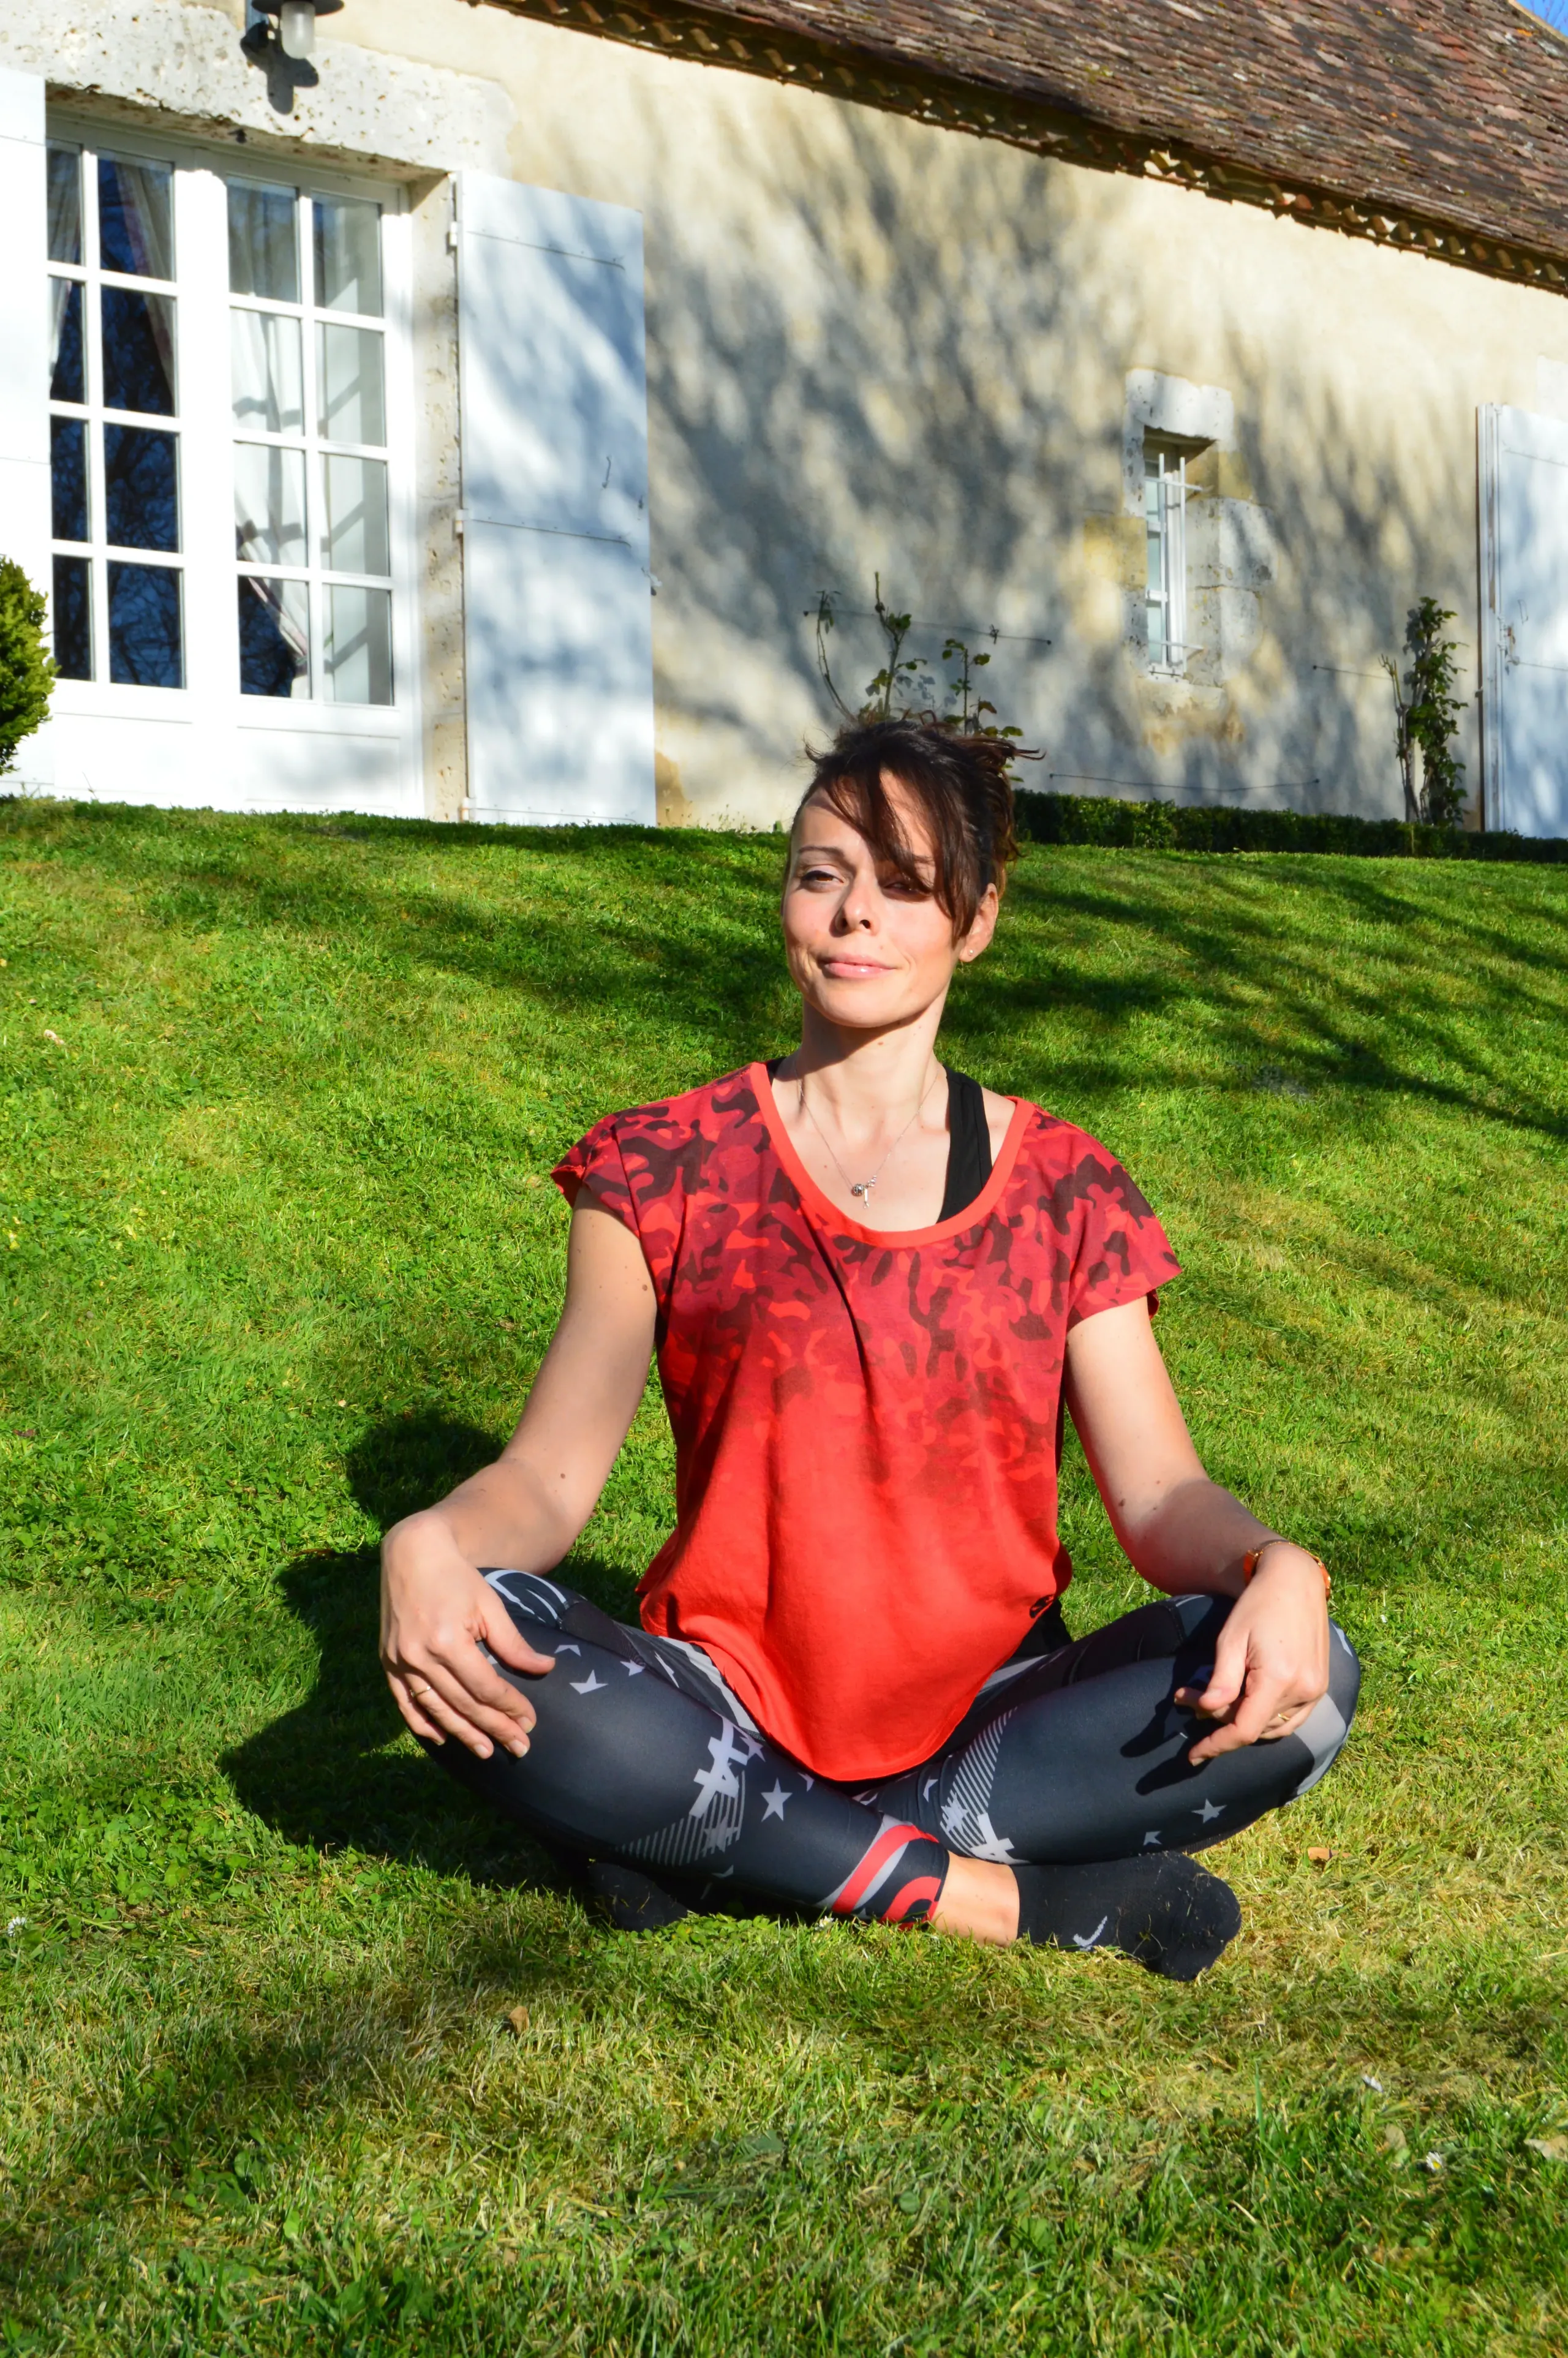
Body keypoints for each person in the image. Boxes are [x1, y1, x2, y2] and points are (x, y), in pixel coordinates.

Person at [380, 719, 1360, 1980]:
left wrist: (1278, 1562)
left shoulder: (1065, 1186)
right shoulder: (661, 1165)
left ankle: (712, 1841)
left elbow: (1162, 1495)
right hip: (720, 1704)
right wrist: (433, 1540)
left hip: (992, 1720)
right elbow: (546, 1482)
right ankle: (1005, 1898)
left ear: (977, 918)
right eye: (820, 874)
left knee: (1313, 1675)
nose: (853, 914)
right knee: (480, 1632)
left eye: (904, 883)